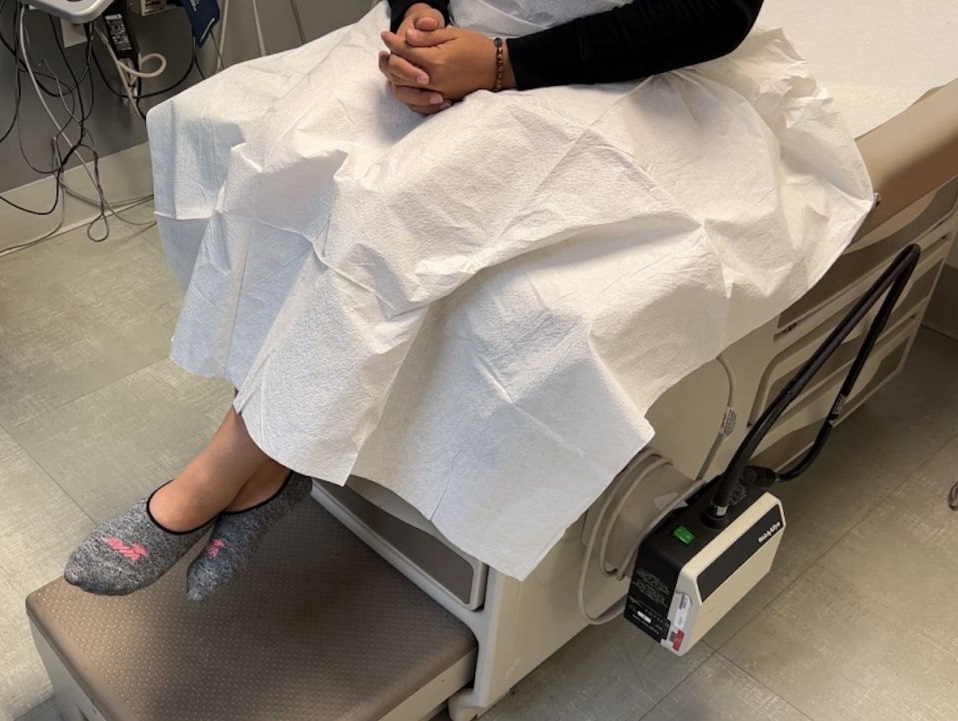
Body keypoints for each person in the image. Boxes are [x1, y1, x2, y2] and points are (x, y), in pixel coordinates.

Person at [65, 0, 869, 597]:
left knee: (395, 210)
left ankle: (227, 467)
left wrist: (500, 66)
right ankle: (276, 456)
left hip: (612, 65)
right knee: (274, 150)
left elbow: (711, 11)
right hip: (465, 33)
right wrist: (423, 19)